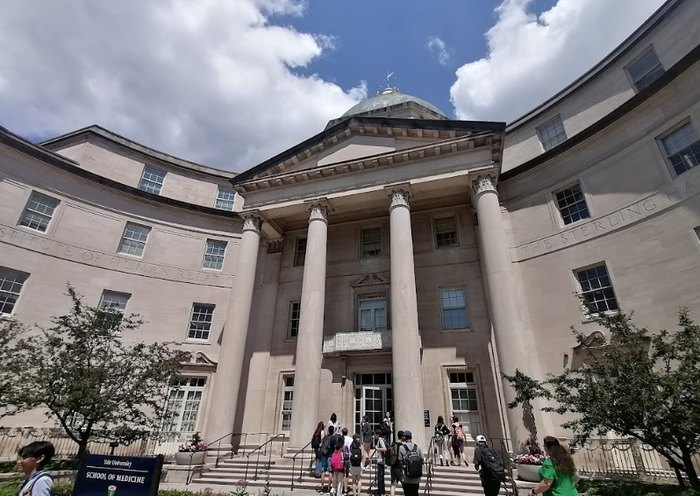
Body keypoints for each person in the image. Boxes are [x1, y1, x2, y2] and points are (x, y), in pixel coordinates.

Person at [398, 430, 423, 496]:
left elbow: (400, 461)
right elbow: (422, 460)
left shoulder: (401, 448)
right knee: (415, 493)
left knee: (408, 493)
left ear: (404, 438)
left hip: (407, 477)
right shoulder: (417, 447)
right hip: (417, 477)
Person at [388, 430, 404, 496]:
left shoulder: (393, 444)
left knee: (393, 485)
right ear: (402, 437)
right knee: (404, 484)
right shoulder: (402, 446)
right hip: (400, 467)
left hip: (393, 466)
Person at [372, 429, 387, 496]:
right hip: (381, 460)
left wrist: (377, 448)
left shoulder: (380, 440)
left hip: (380, 460)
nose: (374, 436)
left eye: (375, 434)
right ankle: (382, 491)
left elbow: (384, 449)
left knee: (380, 477)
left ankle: (380, 492)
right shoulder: (382, 440)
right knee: (381, 476)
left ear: (377, 434)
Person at [342, 428, 353, 496]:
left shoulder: (340, 438)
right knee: (347, 473)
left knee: (342, 474)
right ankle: (346, 489)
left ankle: (343, 488)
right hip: (348, 457)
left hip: (342, 458)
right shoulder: (350, 439)